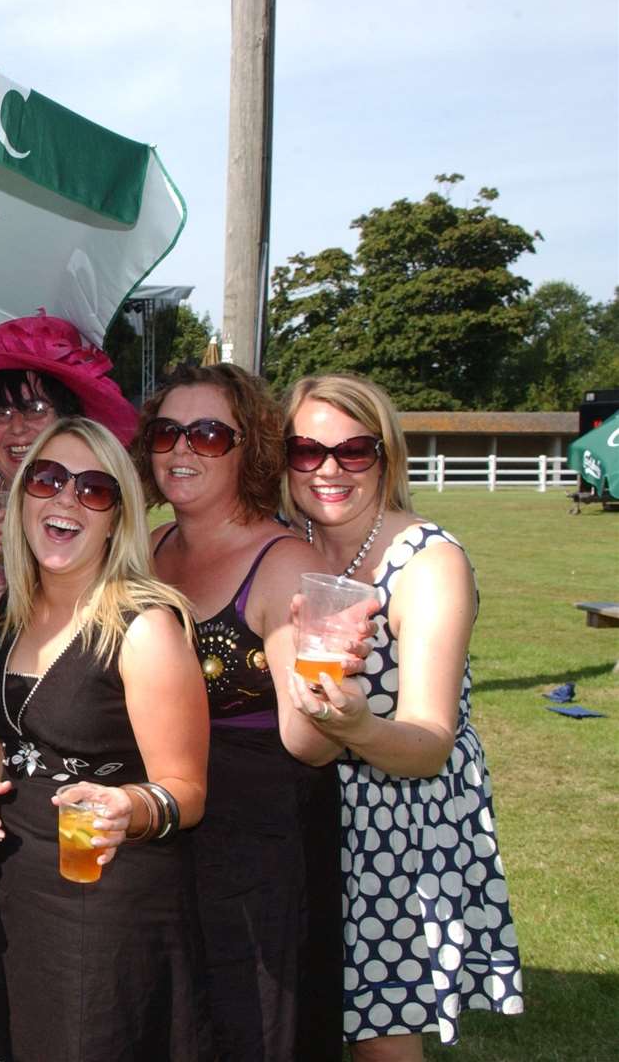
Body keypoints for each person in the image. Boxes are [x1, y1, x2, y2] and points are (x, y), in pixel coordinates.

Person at [0, 416, 211, 1061]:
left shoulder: (144, 626)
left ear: (116, 517)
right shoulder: (18, 611)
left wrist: (129, 808)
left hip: (105, 903)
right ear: (23, 498)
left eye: (93, 489)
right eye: (48, 479)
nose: (67, 498)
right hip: (20, 891)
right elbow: (11, 740)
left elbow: (187, 790)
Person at [281, 374, 522, 1059]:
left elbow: (428, 745)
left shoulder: (427, 562)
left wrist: (353, 726)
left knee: (380, 1035)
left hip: (395, 817)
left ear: (385, 456)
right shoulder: (283, 541)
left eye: (352, 451)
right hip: (301, 807)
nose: (327, 469)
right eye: (305, 451)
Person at [139, 364, 343, 1060]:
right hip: (161, 825)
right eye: (166, 432)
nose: (181, 449)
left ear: (248, 447)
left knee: (245, 1026)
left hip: (256, 845)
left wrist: (329, 694)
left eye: (207, 434)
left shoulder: (281, 562)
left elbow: (310, 745)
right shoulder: (147, 548)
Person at [0, 311, 138, 583]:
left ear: (69, 418)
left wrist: (28, 547)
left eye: (35, 409)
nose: (17, 427)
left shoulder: (92, 492)